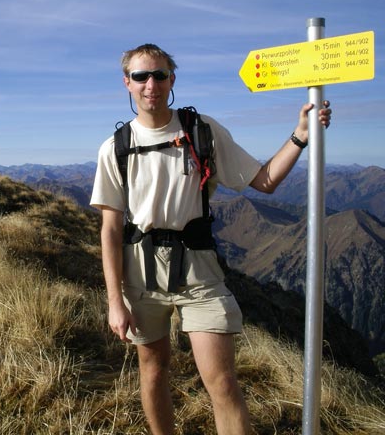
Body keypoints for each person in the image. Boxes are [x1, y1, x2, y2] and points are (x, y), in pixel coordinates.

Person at [90, 43, 331, 435]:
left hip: (199, 271)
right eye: (141, 76)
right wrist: (115, 301)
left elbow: (264, 181)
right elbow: (111, 229)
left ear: (172, 79)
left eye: (159, 75)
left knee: (221, 382)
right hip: (141, 274)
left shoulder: (202, 132)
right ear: (127, 84)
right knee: (153, 370)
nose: (151, 84)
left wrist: (300, 135)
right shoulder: (114, 149)